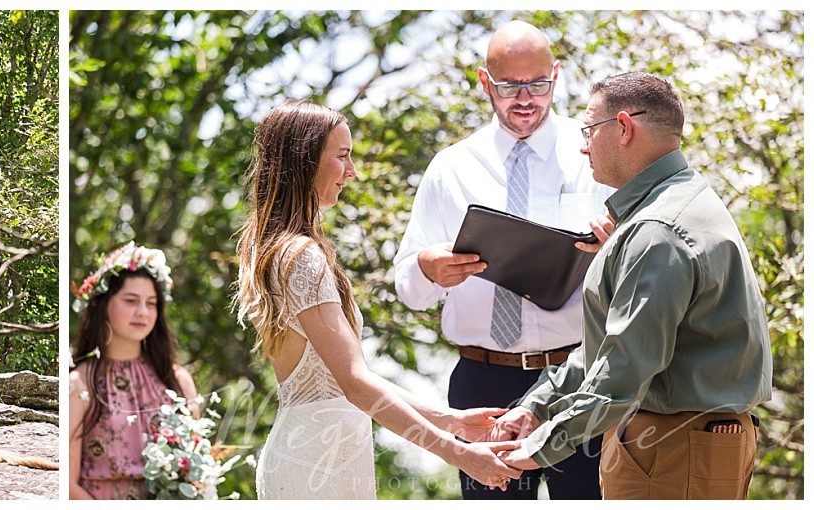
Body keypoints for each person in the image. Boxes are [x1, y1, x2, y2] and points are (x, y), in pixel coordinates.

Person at [496, 72, 773, 500]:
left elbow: (621, 373)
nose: (583, 145)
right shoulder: (679, 202)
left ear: (624, 128)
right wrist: (537, 405)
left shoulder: (658, 231)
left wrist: (534, 450)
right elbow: (611, 347)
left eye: (589, 130)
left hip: (672, 452)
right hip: (680, 448)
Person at [235, 100, 523, 499]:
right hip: (316, 465)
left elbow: (351, 381)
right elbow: (355, 384)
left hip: (325, 456)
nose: (352, 171)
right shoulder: (301, 257)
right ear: (305, 162)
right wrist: (460, 454)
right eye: (342, 157)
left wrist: (452, 421)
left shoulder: (284, 251)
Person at [390, 20, 612, 499]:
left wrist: (613, 246)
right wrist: (428, 268)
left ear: (556, 75)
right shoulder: (450, 168)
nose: (526, 98)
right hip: (482, 386)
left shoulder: (595, 155)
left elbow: (638, 268)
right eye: (511, 86)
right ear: (485, 82)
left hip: (577, 376)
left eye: (538, 84)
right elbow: (408, 287)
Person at [67, 243, 197, 500]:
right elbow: (68, 487)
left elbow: (195, 471)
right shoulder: (80, 385)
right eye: (131, 300)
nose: (143, 312)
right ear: (104, 304)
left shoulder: (178, 381)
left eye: (151, 303)